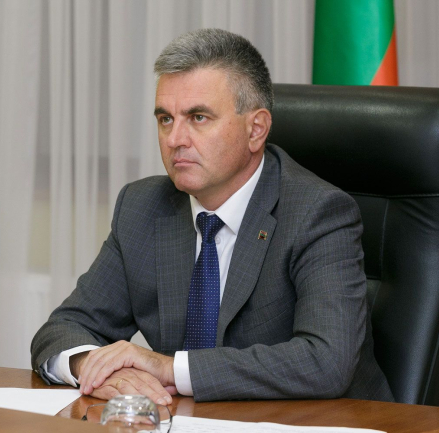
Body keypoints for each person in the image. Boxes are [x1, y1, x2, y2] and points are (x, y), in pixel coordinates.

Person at [31, 28, 394, 405]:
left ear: (256, 130)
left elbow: (326, 361)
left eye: (198, 117)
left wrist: (170, 369)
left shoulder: (318, 213)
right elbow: (62, 329)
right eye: (165, 119)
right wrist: (96, 367)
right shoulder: (142, 207)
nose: (175, 139)